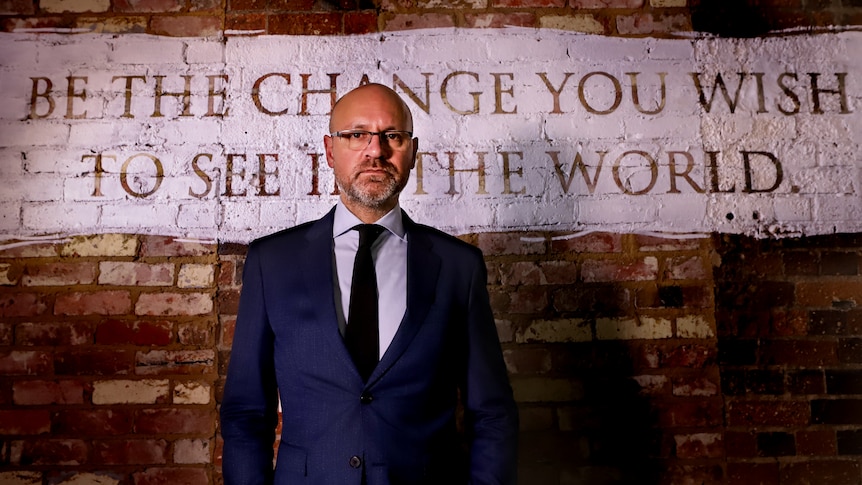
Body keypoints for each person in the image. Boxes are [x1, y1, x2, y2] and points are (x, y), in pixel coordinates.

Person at [220, 83, 518, 485]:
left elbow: (492, 413)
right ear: (329, 150)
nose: (375, 151)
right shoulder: (271, 262)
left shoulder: (458, 267)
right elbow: (245, 413)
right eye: (357, 135)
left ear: (412, 153)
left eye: (393, 136)